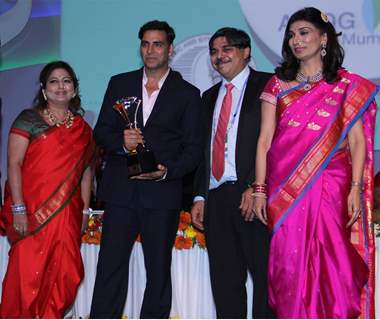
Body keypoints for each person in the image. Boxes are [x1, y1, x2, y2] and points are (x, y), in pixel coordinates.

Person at [253, 7, 378, 318]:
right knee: (288, 261)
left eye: (304, 33)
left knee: (332, 258)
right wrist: (258, 189)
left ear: (324, 38)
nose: (297, 40)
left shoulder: (347, 85)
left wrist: (355, 188)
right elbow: (265, 140)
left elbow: (357, 141)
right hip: (285, 188)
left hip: (331, 184)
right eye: (292, 35)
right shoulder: (277, 85)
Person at [90, 20, 202, 319]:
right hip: (121, 192)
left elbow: (193, 150)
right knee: (110, 266)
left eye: (158, 44)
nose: (150, 50)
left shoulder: (188, 93)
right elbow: (101, 132)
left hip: (162, 193)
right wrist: (121, 144)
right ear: (140, 47)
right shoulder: (119, 83)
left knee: (158, 271)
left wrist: (166, 171)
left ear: (171, 49)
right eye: (145, 43)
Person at [0, 61, 95, 318]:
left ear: (74, 89)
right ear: (44, 89)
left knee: (66, 275)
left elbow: (87, 172)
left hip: (67, 216)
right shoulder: (28, 119)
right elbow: (14, 164)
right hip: (31, 214)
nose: (60, 87)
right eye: (53, 81)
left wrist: (85, 211)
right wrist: (18, 208)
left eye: (66, 81)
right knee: (26, 276)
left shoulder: (83, 130)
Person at [191, 27, 272, 318]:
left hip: (253, 196)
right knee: (225, 284)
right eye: (213, 51)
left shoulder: (269, 86)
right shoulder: (209, 96)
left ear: (246, 52)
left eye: (226, 49)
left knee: (265, 281)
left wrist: (256, 185)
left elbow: (276, 142)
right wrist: (200, 195)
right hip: (217, 198)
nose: (219, 56)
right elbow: (203, 150)